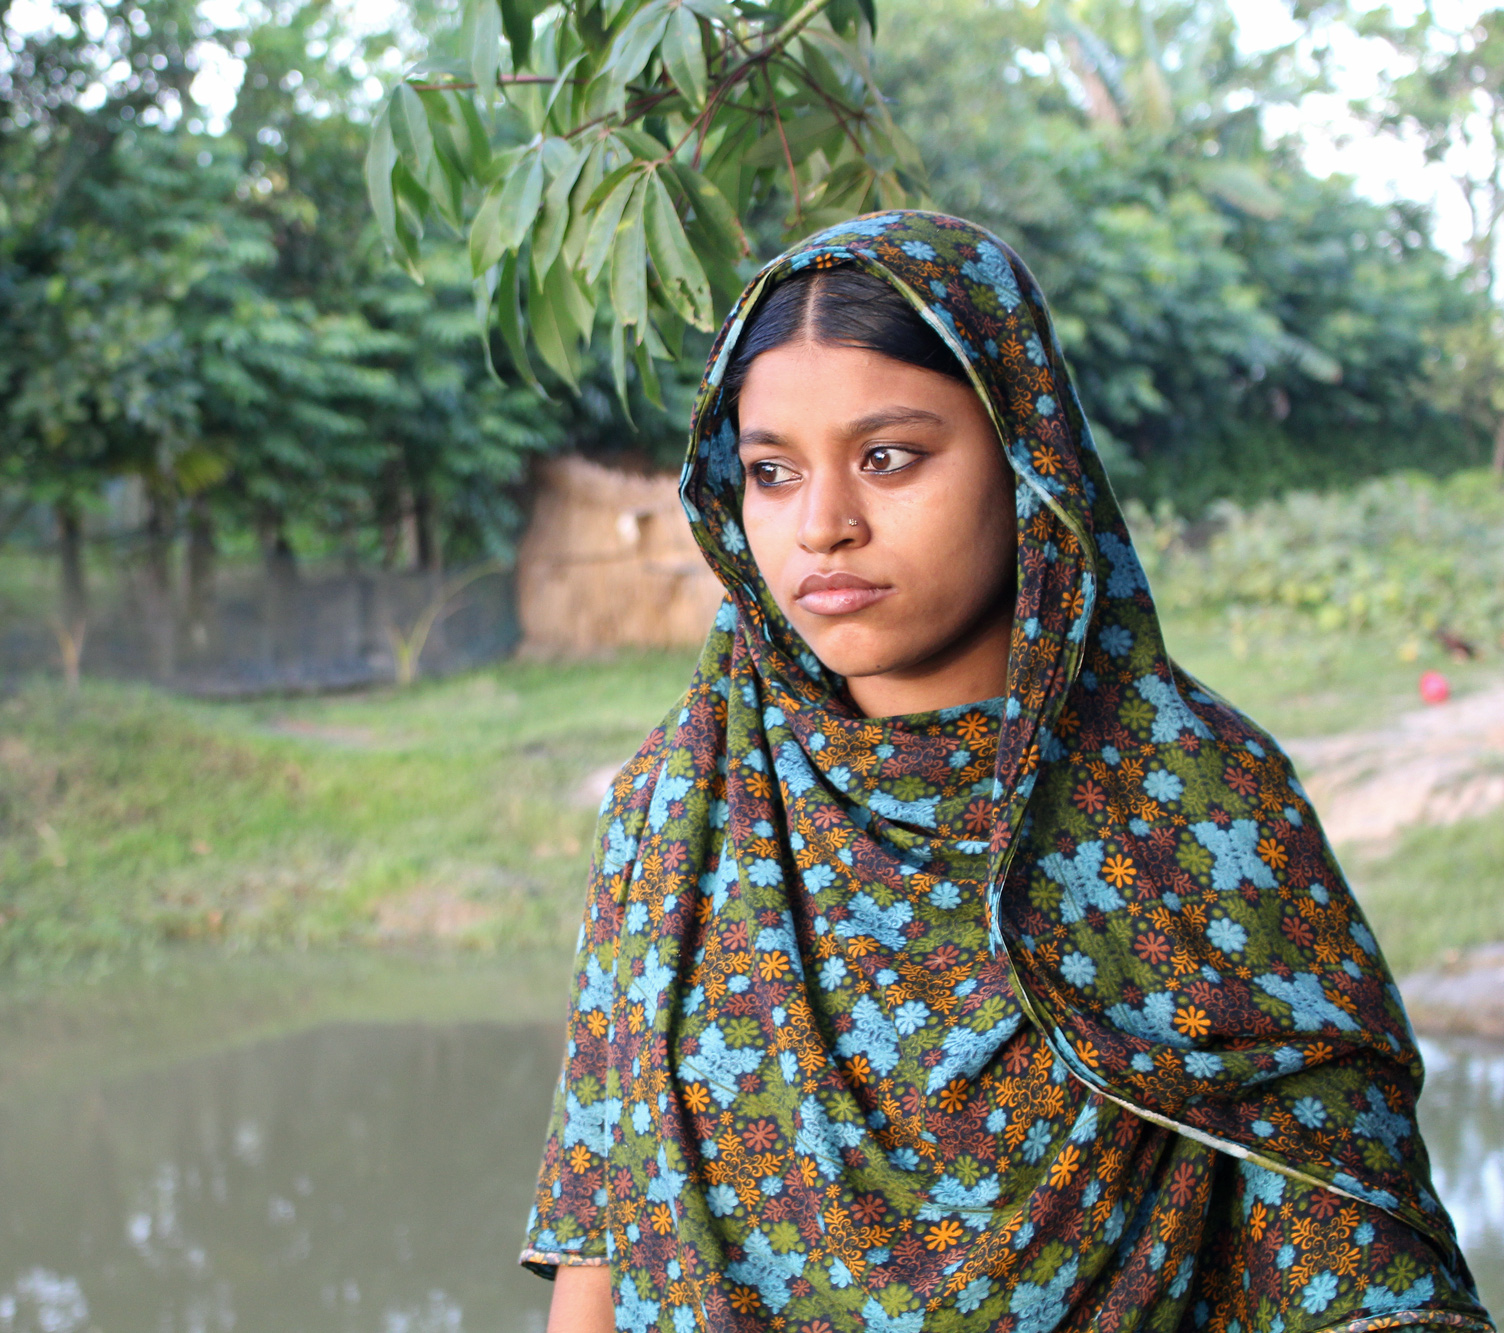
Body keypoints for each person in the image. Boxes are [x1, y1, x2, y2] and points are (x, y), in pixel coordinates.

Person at [521, 211, 1493, 1333]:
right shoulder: (678, 805)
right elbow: (600, 1234)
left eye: (887, 457)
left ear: (1026, 456)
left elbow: (1356, 1270)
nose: (821, 526)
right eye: (771, 472)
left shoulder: (1199, 810)